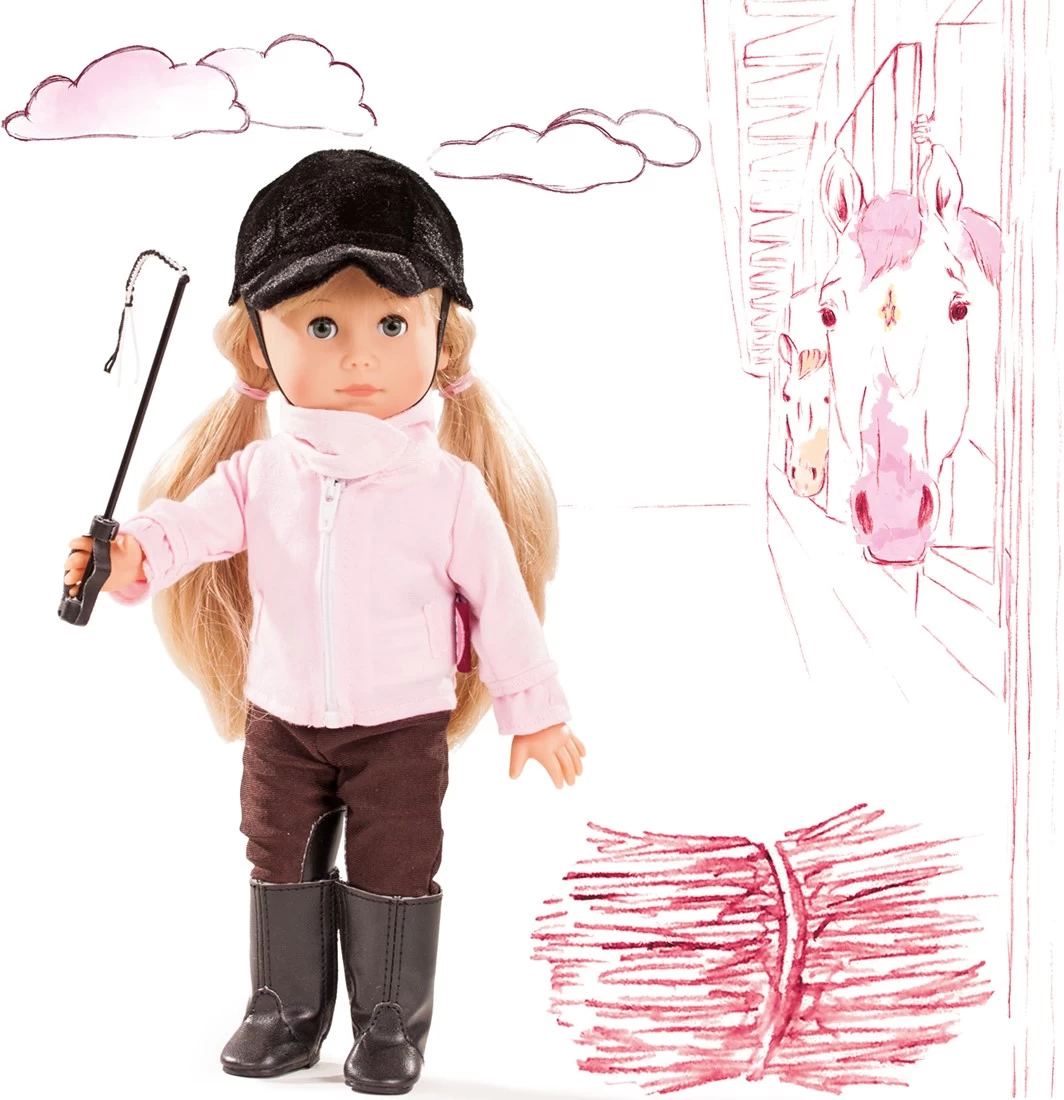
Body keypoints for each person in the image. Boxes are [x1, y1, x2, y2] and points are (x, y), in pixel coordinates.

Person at [62, 148, 585, 1096]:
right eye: (320, 324)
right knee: (277, 851)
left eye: (391, 322)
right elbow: (187, 530)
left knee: (397, 860)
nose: (358, 354)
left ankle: (388, 1020)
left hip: (401, 724)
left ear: (441, 341)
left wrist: (534, 711)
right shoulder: (260, 476)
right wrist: (131, 553)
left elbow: (501, 603)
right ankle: (284, 1007)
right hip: (285, 718)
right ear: (259, 346)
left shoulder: (448, 490)